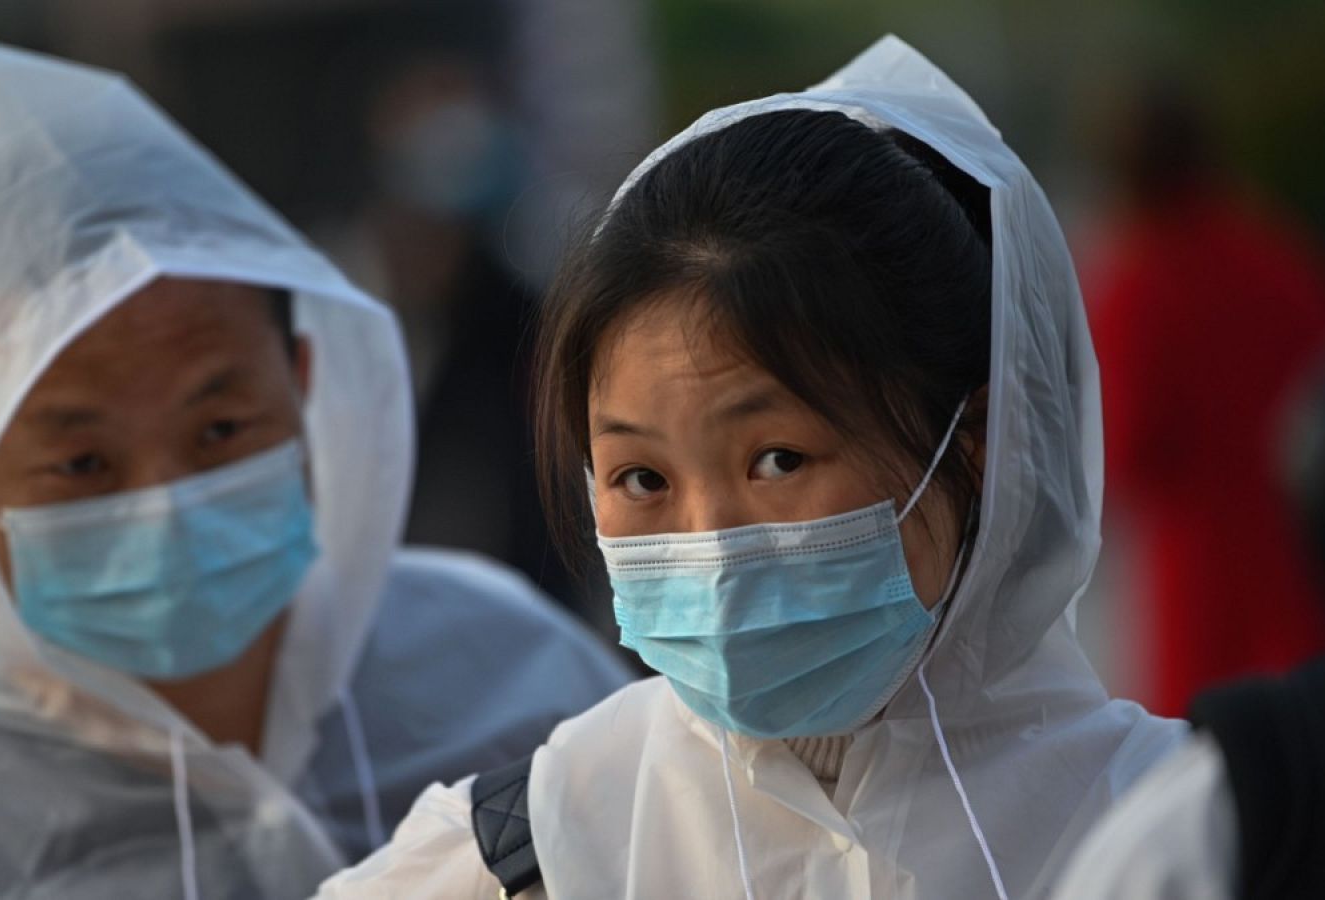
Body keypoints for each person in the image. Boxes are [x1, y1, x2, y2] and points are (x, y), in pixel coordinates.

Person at [314, 36, 1186, 899]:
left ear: (978, 443)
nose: (713, 548)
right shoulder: (542, 845)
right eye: (641, 479)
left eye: (776, 461)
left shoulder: (1171, 833)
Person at [0, 35, 627, 899]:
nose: (165, 504)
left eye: (219, 429)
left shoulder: (513, 672)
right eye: (84, 462)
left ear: (301, 388)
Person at [1050, 343, 1325, 900]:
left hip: (1199, 596)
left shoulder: (1141, 293)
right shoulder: (1282, 272)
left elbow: (1101, 447)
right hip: (1300, 601)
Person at [1086, 80, 1325, 715]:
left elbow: (1129, 442)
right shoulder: (1270, 249)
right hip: (1284, 535)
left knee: (1203, 745)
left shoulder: (1136, 281)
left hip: (1189, 557)